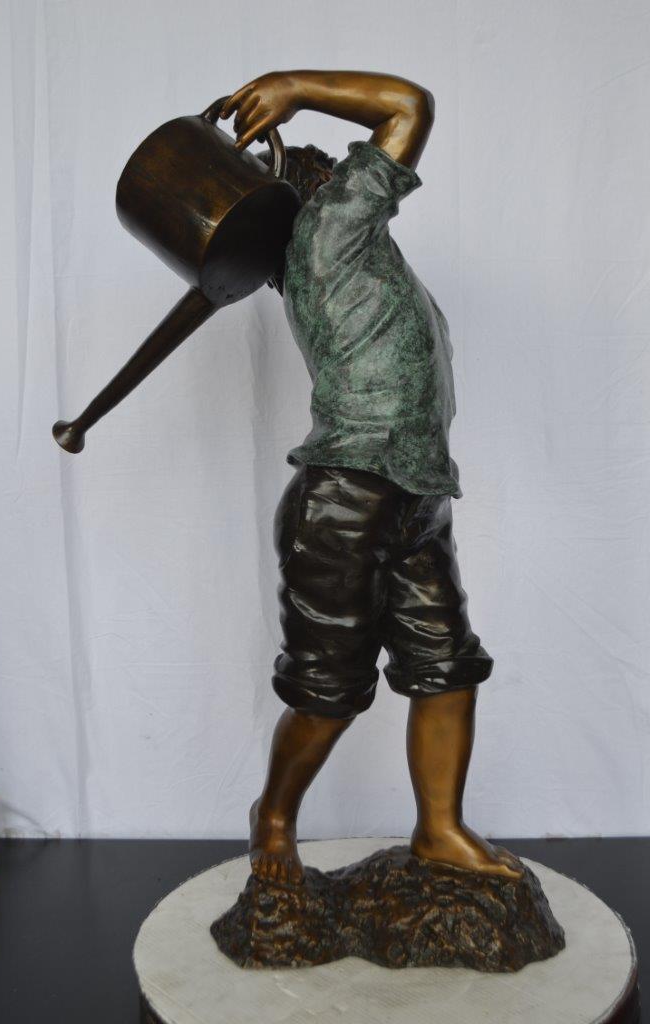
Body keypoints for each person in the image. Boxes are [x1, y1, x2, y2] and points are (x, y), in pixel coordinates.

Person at [220, 71, 521, 885]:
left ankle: (440, 831)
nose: (358, 169)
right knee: (328, 688)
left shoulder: (359, 260)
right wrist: (295, 88)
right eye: (337, 166)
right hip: (346, 500)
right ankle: (274, 818)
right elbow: (410, 106)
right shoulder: (327, 231)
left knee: (447, 664)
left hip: (414, 493)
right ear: (316, 191)